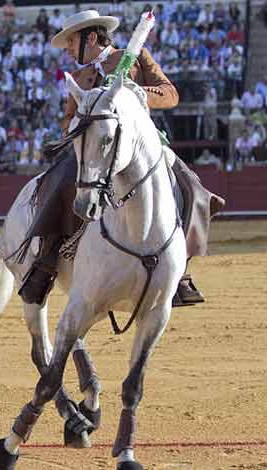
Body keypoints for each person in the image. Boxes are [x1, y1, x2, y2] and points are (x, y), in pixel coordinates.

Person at [17, 10, 225, 307]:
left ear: (91, 37)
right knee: (61, 182)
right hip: (95, 151)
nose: (67, 49)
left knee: (190, 185)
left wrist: (136, 92)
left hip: (139, 146)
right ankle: (47, 262)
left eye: (70, 41)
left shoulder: (135, 57)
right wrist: (83, 124)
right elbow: (66, 123)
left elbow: (170, 94)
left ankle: (179, 270)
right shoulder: (78, 78)